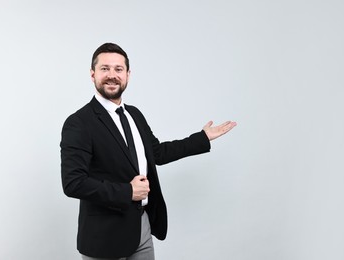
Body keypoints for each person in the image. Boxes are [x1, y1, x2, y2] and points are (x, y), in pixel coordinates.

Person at [60, 42, 237, 260]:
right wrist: (127, 192)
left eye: (118, 69)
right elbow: (73, 182)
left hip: (140, 227)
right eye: (105, 69)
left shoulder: (134, 115)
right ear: (92, 74)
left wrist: (202, 139)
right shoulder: (79, 123)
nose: (112, 75)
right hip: (104, 236)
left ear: (128, 75)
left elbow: (157, 153)